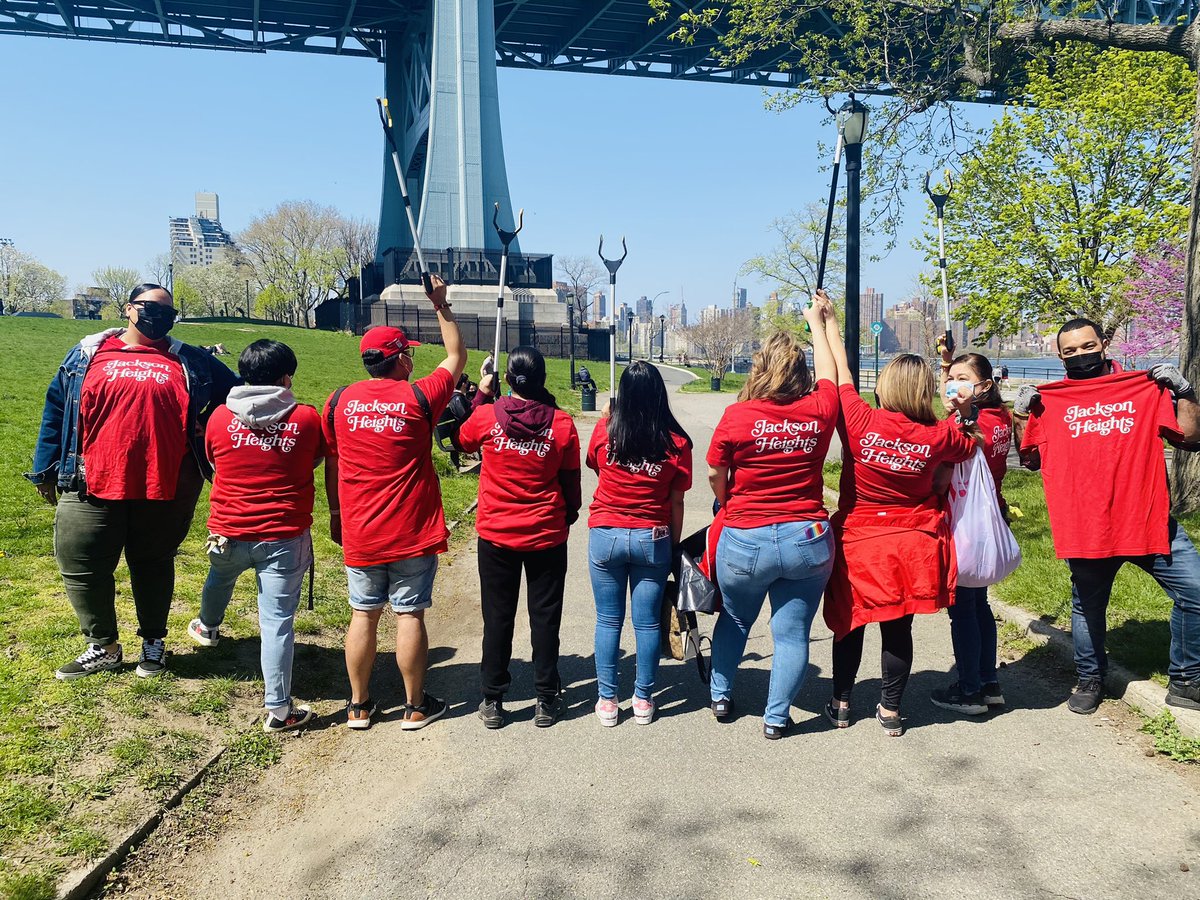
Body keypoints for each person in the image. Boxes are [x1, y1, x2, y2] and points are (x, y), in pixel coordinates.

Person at [28, 283, 239, 680]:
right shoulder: (88, 354)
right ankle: (103, 645)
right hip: (91, 479)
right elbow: (56, 408)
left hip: (166, 481)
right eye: (149, 308)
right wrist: (46, 468)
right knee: (81, 564)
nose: (159, 317)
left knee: (153, 563)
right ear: (128, 309)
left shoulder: (191, 360)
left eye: (167, 312)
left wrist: (204, 424)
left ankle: (153, 644)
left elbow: (236, 393)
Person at [1016, 317, 1200, 714]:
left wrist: (1183, 391)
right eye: (1070, 351)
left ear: (1103, 343)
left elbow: (1191, 437)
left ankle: (1186, 679)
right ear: (1059, 355)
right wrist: (1021, 415)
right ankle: (1089, 679)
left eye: (1087, 346)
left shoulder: (1143, 389)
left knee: (1196, 592)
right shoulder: (1050, 401)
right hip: (1087, 524)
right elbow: (1028, 459)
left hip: (1147, 516)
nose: (1080, 355)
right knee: (1087, 605)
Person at [822, 299, 979, 737]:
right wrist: (961, 405)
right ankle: (891, 711)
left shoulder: (859, 420)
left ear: (887, 385)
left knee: (849, 623)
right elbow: (968, 444)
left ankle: (840, 703)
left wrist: (830, 324)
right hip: (912, 543)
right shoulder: (936, 436)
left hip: (859, 541)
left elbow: (842, 375)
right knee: (897, 627)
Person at [323, 274, 464, 731]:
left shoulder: (338, 401)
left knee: (362, 614)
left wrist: (336, 515)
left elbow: (333, 461)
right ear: (401, 358)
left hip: (361, 530)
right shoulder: (420, 395)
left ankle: (359, 706)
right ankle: (414, 706)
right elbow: (457, 356)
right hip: (411, 530)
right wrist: (441, 305)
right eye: (407, 354)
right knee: (409, 613)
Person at [706, 299, 839, 739]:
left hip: (747, 537)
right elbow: (830, 375)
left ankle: (721, 694)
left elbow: (714, 473)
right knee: (792, 631)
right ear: (799, 375)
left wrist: (727, 501)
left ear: (759, 369)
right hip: (807, 536)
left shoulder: (738, 416)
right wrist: (817, 324)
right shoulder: (819, 411)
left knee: (737, 619)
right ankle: (776, 717)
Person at [187, 340, 325, 733]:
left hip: (227, 529)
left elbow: (213, 462)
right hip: (283, 535)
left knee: (220, 576)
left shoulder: (216, 418)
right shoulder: (306, 418)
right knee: (277, 622)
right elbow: (313, 459)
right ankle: (279, 710)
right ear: (286, 377)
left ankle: (207, 626)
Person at [457, 347, 582, 729]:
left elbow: (462, 441)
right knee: (545, 618)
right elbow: (571, 482)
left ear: (508, 379)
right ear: (544, 379)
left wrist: (482, 393)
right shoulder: (561, 424)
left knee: (498, 617)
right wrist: (568, 515)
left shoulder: (487, 416)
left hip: (497, 534)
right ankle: (546, 697)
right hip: (545, 533)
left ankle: (493, 698)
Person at [586, 361, 692, 726]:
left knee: (608, 620)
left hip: (606, 534)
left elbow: (597, 467)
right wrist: (672, 546)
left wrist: (608, 420)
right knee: (647, 624)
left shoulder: (606, 431)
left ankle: (607, 701)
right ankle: (643, 700)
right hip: (652, 537)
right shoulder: (676, 442)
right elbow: (677, 501)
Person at [930, 345, 1013, 715]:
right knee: (979, 604)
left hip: (964, 521)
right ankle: (988, 681)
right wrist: (949, 368)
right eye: (950, 381)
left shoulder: (976, 424)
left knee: (963, 608)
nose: (953, 387)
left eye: (964, 381)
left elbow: (949, 454)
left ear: (985, 386)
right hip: (987, 516)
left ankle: (969, 690)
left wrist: (955, 417)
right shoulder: (1001, 418)